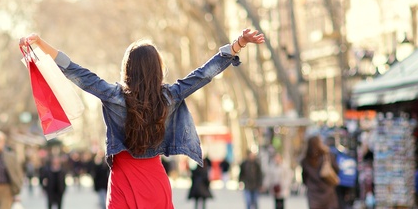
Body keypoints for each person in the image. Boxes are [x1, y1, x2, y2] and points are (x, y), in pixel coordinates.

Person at [19, 28, 263, 208]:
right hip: (155, 182)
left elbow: (76, 71)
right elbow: (203, 74)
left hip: (122, 182)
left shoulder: (113, 96)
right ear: (157, 68)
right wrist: (237, 44)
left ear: (128, 68)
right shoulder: (170, 96)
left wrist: (41, 44)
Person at [301, 136, 339, 209]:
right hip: (327, 191)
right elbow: (337, 169)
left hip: (313, 193)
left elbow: (304, 177)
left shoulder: (305, 160)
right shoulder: (326, 156)